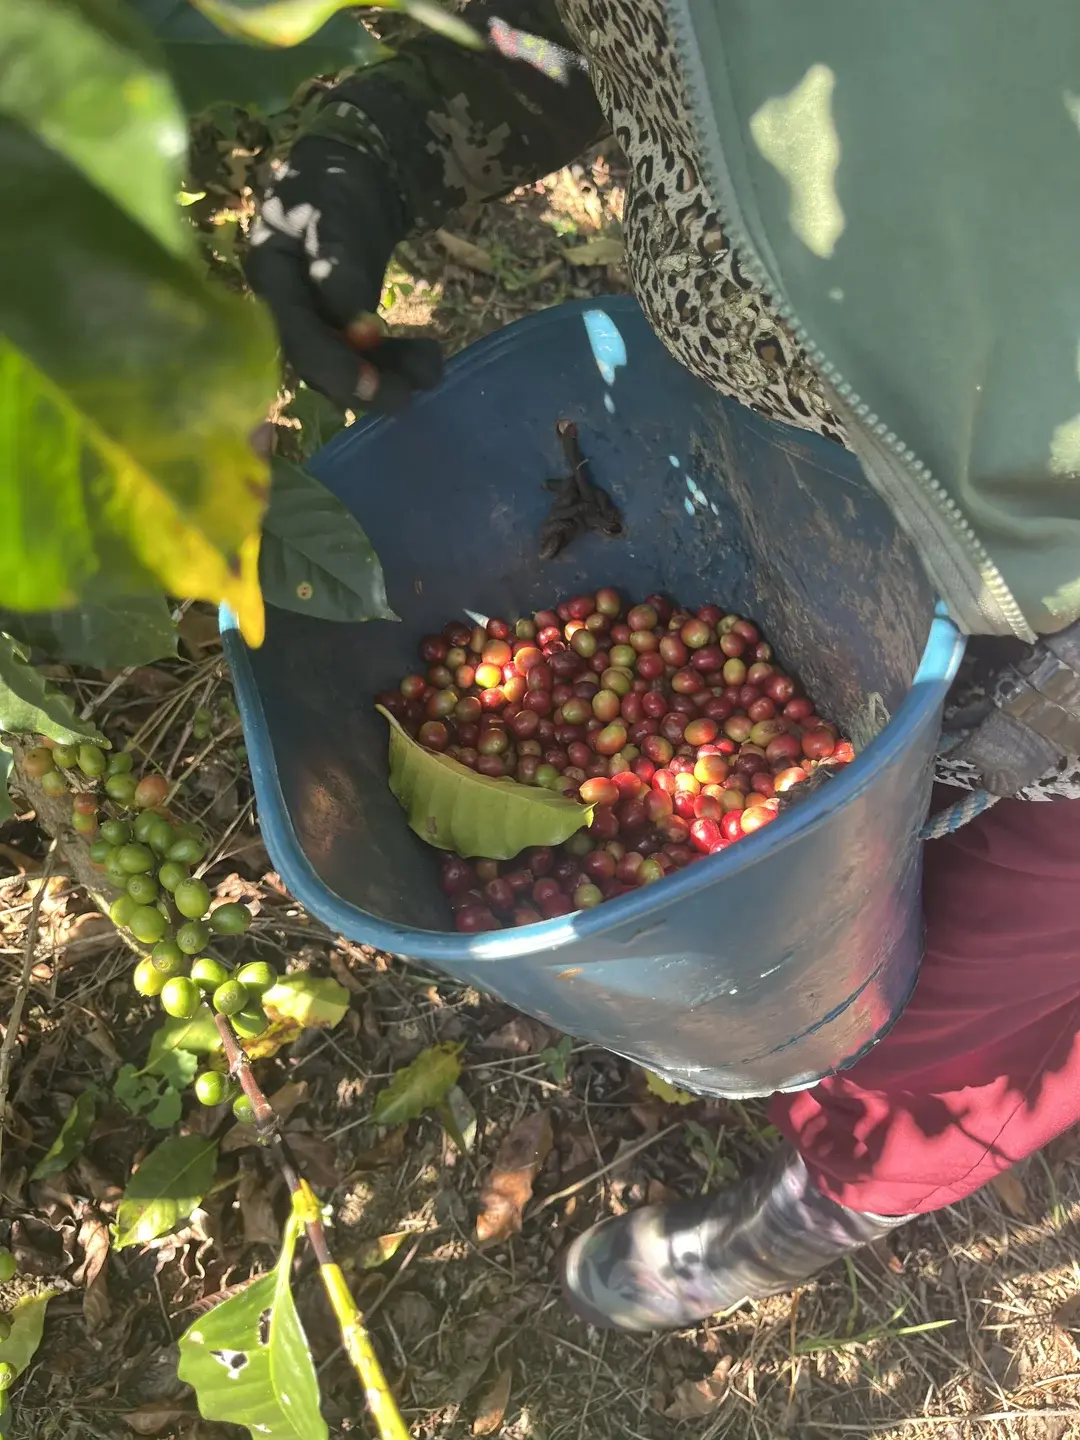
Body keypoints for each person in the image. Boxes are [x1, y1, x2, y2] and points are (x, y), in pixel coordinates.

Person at [247, 0, 1080, 1332]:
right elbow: (637, 31)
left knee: (958, 1006)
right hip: (862, 518)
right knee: (850, 909)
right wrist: (404, 132)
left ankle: (849, 1192)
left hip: (1061, 644)